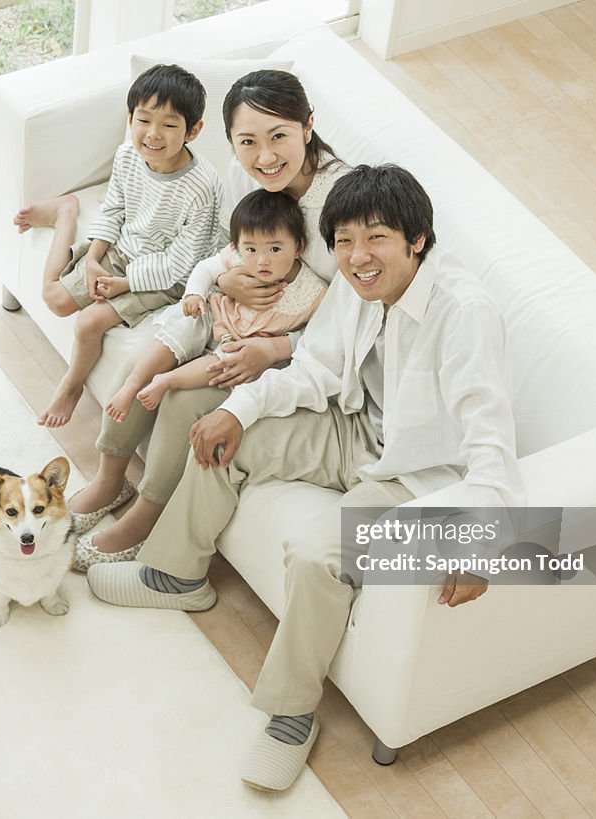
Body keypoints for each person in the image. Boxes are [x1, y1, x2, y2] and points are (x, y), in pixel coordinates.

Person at [86, 164, 525, 791]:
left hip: (417, 475)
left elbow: (490, 441)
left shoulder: (464, 313)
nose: (357, 256)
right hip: (352, 427)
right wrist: (236, 409)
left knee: (321, 555)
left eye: (375, 238)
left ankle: (290, 717)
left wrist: (479, 539)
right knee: (221, 435)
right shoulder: (356, 284)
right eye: (344, 240)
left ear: (417, 240)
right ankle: (175, 575)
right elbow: (315, 369)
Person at [67, 70, 347, 572]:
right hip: (229, 311)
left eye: (279, 136)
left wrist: (276, 349)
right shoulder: (252, 175)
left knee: (186, 395)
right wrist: (227, 281)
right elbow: (228, 248)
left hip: (287, 345)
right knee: (154, 354)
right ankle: (111, 480)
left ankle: (147, 514)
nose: (264, 157)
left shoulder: (340, 204)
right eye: (247, 142)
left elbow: (349, 317)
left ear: (308, 127)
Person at [13, 63, 225, 429]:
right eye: (143, 120)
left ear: (194, 130)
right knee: (56, 299)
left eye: (169, 125)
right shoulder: (128, 155)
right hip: (124, 249)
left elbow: (181, 263)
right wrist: (94, 258)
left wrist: (124, 284)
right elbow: (115, 209)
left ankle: (71, 385)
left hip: (168, 275)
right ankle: (66, 213)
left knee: (89, 322)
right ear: (130, 117)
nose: (153, 134)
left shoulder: (202, 185)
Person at [103, 189, 326, 422]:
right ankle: (133, 383)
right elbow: (206, 269)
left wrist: (276, 346)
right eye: (251, 249)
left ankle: (167, 380)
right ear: (239, 246)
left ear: (299, 247)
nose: (262, 260)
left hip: (244, 342)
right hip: (217, 314)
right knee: (187, 325)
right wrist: (194, 294)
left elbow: (316, 336)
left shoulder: (313, 292)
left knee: (229, 363)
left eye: (275, 249)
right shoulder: (238, 255)